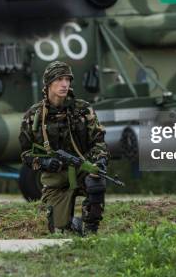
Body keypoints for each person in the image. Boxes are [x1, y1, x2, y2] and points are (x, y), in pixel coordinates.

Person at [19, 61, 109, 235]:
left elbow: (99, 141)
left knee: (96, 182)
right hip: (56, 178)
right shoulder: (33, 115)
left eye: (67, 79)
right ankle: (73, 224)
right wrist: (43, 162)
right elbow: (25, 153)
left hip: (82, 168)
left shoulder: (83, 110)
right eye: (59, 79)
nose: (64, 84)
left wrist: (101, 160)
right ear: (48, 83)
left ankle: (90, 228)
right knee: (60, 231)